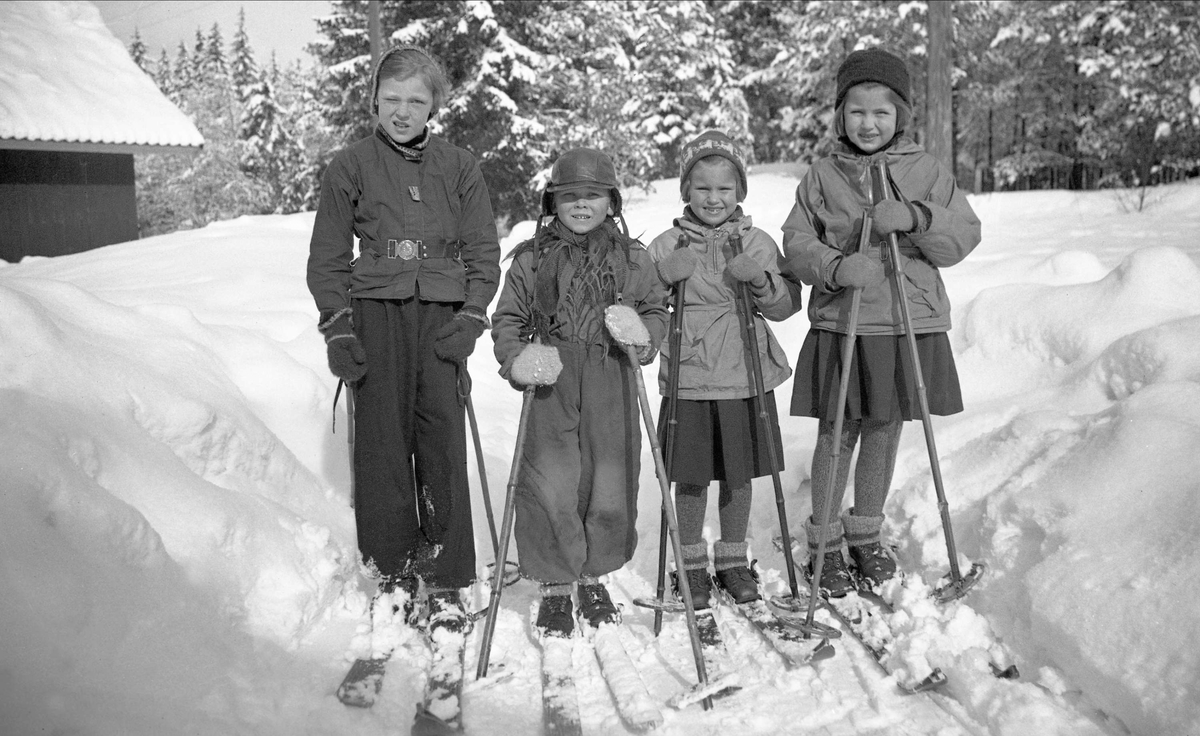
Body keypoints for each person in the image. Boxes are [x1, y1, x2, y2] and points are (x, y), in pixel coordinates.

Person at [306, 46, 501, 631]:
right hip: (377, 315)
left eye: (416, 100)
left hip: (441, 318)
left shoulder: (460, 166)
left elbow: (483, 252)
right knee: (383, 445)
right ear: (373, 99)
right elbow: (327, 257)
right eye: (391, 98)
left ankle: (443, 577)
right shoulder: (351, 165)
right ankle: (391, 572)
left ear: (434, 106)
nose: (402, 110)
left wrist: (470, 317)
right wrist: (338, 326)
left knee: (440, 443)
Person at [780, 47, 981, 596]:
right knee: (838, 432)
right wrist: (837, 266)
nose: (869, 123)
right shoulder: (822, 176)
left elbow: (963, 235)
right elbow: (796, 245)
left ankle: (865, 533)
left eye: (882, 112)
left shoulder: (927, 170)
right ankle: (822, 538)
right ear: (840, 115)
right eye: (857, 111)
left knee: (885, 431)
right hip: (844, 322)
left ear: (901, 117)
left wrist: (918, 217)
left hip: (903, 324)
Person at [491, 148, 669, 638]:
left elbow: (656, 309)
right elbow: (508, 318)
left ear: (611, 201)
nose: (581, 204)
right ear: (552, 202)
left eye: (592, 195)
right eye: (569, 196)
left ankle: (593, 572)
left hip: (610, 371)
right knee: (551, 477)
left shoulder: (633, 257)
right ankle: (554, 582)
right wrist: (519, 358)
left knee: (608, 477)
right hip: (553, 375)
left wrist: (642, 331)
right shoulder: (532, 258)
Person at [647, 131, 802, 609]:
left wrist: (759, 278)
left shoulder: (756, 242)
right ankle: (690, 565)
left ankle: (733, 562)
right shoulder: (666, 243)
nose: (713, 199)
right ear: (686, 192)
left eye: (724, 189)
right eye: (702, 189)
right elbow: (642, 306)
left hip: (743, 371)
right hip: (690, 372)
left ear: (740, 193)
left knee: (738, 473)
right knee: (690, 474)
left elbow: (786, 305)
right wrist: (661, 278)